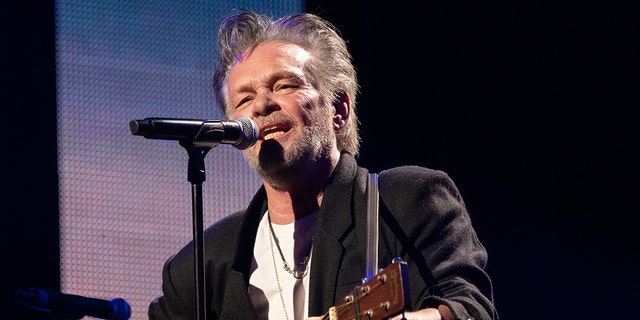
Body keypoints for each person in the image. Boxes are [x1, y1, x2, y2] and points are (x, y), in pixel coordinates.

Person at [148, 9, 499, 320]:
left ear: (339, 109)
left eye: (283, 85)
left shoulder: (405, 202)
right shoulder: (200, 267)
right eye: (244, 98)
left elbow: (470, 308)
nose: (261, 106)